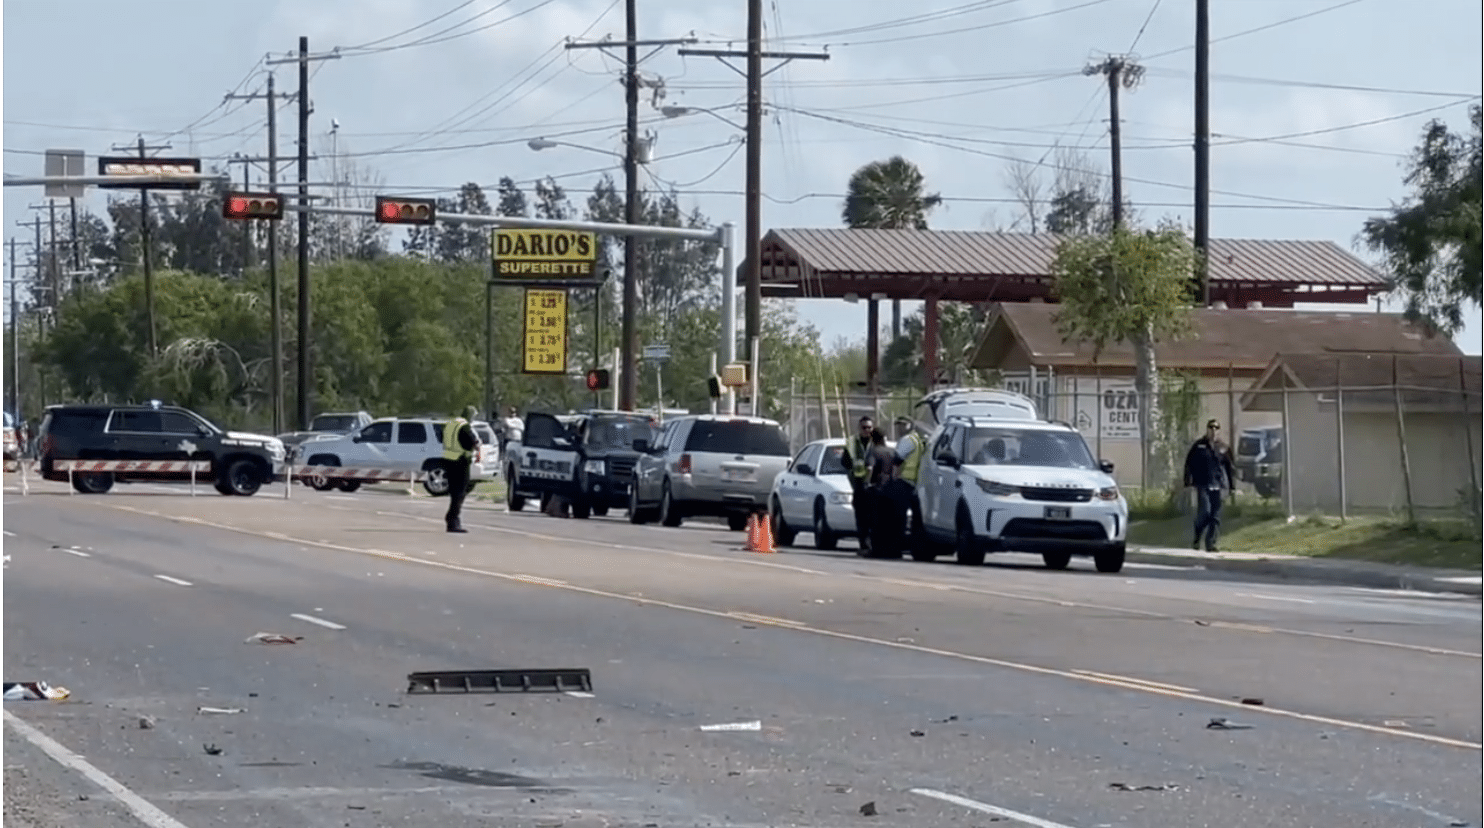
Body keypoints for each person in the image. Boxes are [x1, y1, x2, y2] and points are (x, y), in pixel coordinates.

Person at [1183, 418, 1237, 552]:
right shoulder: (1199, 446)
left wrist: (1232, 486)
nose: (1213, 430)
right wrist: (1187, 481)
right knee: (1205, 512)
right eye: (1211, 428)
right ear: (1207, 429)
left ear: (1219, 431)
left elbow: (1230, 468)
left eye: (1216, 428)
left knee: (1215, 516)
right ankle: (1197, 535)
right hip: (1202, 484)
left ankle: (1211, 543)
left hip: (1218, 485)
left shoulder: (1223, 448)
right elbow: (1189, 464)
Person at [442, 405, 482, 533]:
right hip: (460, 461)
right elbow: (469, 441)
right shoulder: (464, 426)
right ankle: (453, 520)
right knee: (460, 492)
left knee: (455, 491)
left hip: (448, 460)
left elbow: (442, 437)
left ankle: (451, 518)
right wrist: (476, 447)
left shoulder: (451, 423)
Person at [840, 415, 876, 551]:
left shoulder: (876, 442)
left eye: (869, 427)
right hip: (859, 484)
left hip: (873, 486)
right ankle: (864, 544)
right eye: (864, 427)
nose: (867, 430)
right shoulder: (852, 442)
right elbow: (845, 462)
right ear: (859, 428)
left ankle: (872, 544)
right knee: (861, 517)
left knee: (873, 517)